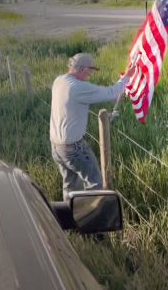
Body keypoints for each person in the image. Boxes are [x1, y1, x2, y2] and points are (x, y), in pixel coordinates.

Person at [50, 53, 134, 200]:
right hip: (73, 149)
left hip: (56, 147)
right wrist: (126, 76)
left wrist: (113, 96)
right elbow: (109, 92)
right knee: (94, 183)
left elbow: (84, 98)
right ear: (82, 68)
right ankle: (90, 217)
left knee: (70, 185)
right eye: (89, 70)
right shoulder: (77, 87)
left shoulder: (59, 81)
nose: (89, 74)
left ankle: (69, 216)